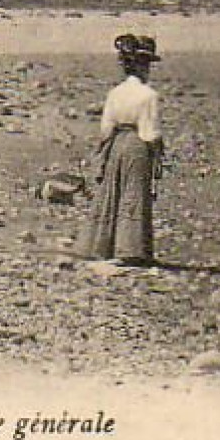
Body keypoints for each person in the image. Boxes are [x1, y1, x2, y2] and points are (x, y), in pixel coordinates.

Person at [77, 33, 165, 266]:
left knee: (112, 193)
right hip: (137, 145)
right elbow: (150, 131)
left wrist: (103, 153)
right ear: (143, 67)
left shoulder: (115, 93)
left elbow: (106, 128)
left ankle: (103, 246)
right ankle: (130, 249)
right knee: (134, 194)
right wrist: (157, 155)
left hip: (117, 144)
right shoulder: (149, 95)